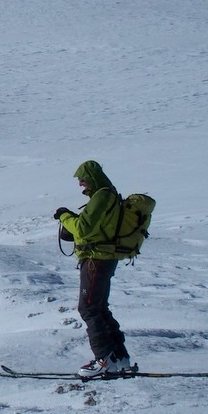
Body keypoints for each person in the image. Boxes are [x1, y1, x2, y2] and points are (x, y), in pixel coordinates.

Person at [54, 160, 132, 378]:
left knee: (88, 308)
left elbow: (83, 228)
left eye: (82, 179)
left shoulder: (102, 196)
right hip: (103, 258)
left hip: (95, 259)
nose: (80, 184)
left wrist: (64, 216)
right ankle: (119, 357)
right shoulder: (108, 195)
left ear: (92, 178)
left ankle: (104, 360)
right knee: (99, 308)